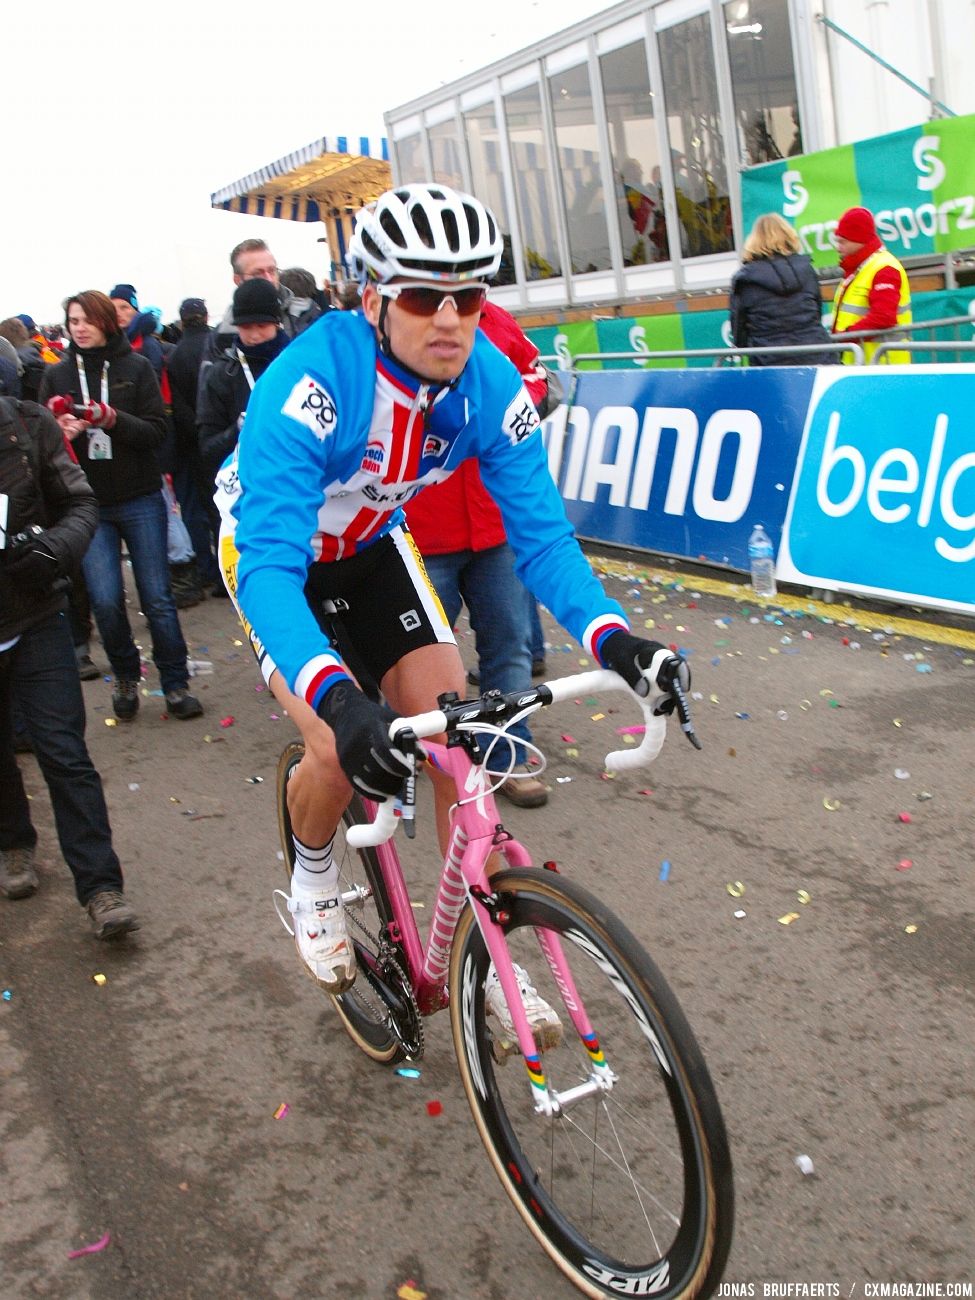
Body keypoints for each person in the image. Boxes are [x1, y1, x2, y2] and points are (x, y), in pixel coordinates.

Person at [217, 183, 686, 1032]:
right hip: (277, 561)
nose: (449, 319)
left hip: (371, 551)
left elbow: (541, 540)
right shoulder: (312, 384)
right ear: (372, 299)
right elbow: (271, 575)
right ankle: (315, 878)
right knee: (331, 747)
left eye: (467, 295)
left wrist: (616, 643)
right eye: (423, 296)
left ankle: (488, 957)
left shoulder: (488, 382)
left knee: (453, 737)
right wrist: (338, 700)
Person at [0, 393, 139, 938]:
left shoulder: (28, 424)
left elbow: (81, 504)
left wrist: (53, 550)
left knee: (63, 750)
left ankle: (102, 887)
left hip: (35, 617)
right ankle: (14, 844)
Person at [403, 299, 551, 808]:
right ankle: (420, 750)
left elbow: (536, 375)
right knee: (416, 661)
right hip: (422, 530)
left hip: (494, 523)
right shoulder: (397, 327)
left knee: (508, 646)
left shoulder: (497, 321)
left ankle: (506, 756)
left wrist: (515, 405)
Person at [37, 290, 203, 722]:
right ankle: (127, 677)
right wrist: (60, 432)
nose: (79, 328)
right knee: (107, 600)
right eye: (73, 321)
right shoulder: (56, 377)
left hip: (140, 497)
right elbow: (39, 444)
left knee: (158, 598)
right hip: (87, 506)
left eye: (87, 320)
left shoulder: (137, 368)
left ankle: (174, 682)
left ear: (106, 322)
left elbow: (155, 433)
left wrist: (111, 419)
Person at [197, 279, 291, 490]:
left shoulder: (299, 361)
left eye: (262, 325)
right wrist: (238, 430)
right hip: (250, 488)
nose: (255, 335)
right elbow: (207, 448)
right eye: (246, 327)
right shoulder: (222, 374)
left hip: (303, 478)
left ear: (277, 322)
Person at [166, 297, 221, 593]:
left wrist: (195, 433)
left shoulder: (175, 356)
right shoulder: (216, 345)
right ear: (205, 314)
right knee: (220, 506)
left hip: (191, 444)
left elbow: (178, 406)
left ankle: (207, 568)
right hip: (219, 438)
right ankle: (228, 570)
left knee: (195, 508)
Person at [729, 212, 832, 366]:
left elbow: (739, 329)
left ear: (753, 240)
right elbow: (816, 312)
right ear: (788, 235)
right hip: (817, 354)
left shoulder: (744, 279)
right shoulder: (806, 269)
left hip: (769, 361)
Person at [830, 206, 911, 364]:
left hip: (883, 366)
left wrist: (846, 337)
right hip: (863, 364)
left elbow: (884, 316)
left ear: (858, 240)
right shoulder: (859, 267)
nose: (838, 248)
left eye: (843, 242)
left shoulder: (884, 268)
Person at [212, 239, 322, 353]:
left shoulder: (309, 313)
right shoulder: (223, 333)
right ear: (238, 280)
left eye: (272, 271)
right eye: (258, 273)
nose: (269, 279)